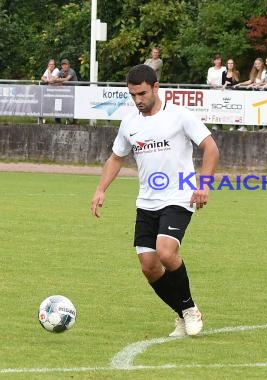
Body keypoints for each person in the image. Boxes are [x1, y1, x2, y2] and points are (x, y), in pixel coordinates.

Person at [90, 64, 220, 337]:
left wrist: (203, 185)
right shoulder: (130, 123)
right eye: (133, 95)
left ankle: (189, 309)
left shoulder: (179, 116)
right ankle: (184, 313)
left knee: (166, 252)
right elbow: (116, 157)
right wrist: (101, 189)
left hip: (179, 196)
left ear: (156, 87)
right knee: (149, 266)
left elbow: (211, 148)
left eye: (142, 93)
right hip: (146, 202)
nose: (138, 100)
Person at [56, 58, 78, 124]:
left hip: (74, 91)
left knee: (73, 106)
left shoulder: (72, 71)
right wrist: (58, 80)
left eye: (66, 64)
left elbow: (67, 79)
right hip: (66, 91)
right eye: (63, 65)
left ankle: (75, 120)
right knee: (59, 102)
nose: (64, 66)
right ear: (61, 66)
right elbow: (54, 78)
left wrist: (58, 80)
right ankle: (58, 119)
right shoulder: (61, 71)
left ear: (69, 65)